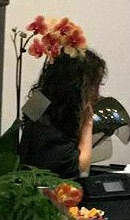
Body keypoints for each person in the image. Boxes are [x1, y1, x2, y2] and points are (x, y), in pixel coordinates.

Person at [15, 48, 107, 180]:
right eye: (95, 86)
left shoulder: (39, 101)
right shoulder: (49, 125)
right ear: (78, 86)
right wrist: (88, 122)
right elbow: (80, 166)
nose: (97, 94)